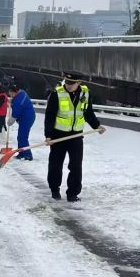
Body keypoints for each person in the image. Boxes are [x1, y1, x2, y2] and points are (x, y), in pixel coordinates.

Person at [44, 72, 105, 202]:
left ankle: (72, 194)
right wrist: (48, 135)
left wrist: (96, 126)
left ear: (79, 83)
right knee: (55, 165)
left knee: (76, 166)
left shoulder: (85, 93)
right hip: (58, 135)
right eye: (67, 82)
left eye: (72, 83)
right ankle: (55, 190)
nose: (69, 85)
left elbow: (88, 112)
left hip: (76, 135)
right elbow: (49, 115)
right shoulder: (57, 94)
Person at [7, 83, 35, 160]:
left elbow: (15, 113)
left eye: (11, 93)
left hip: (27, 118)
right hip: (26, 117)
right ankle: (22, 153)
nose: (10, 94)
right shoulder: (21, 92)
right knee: (21, 137)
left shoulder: (18, 100)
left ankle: (27, 155)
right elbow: (16, 101)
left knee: (22, 137)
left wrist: (10, 121)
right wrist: (12, 100)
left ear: (14, 92)